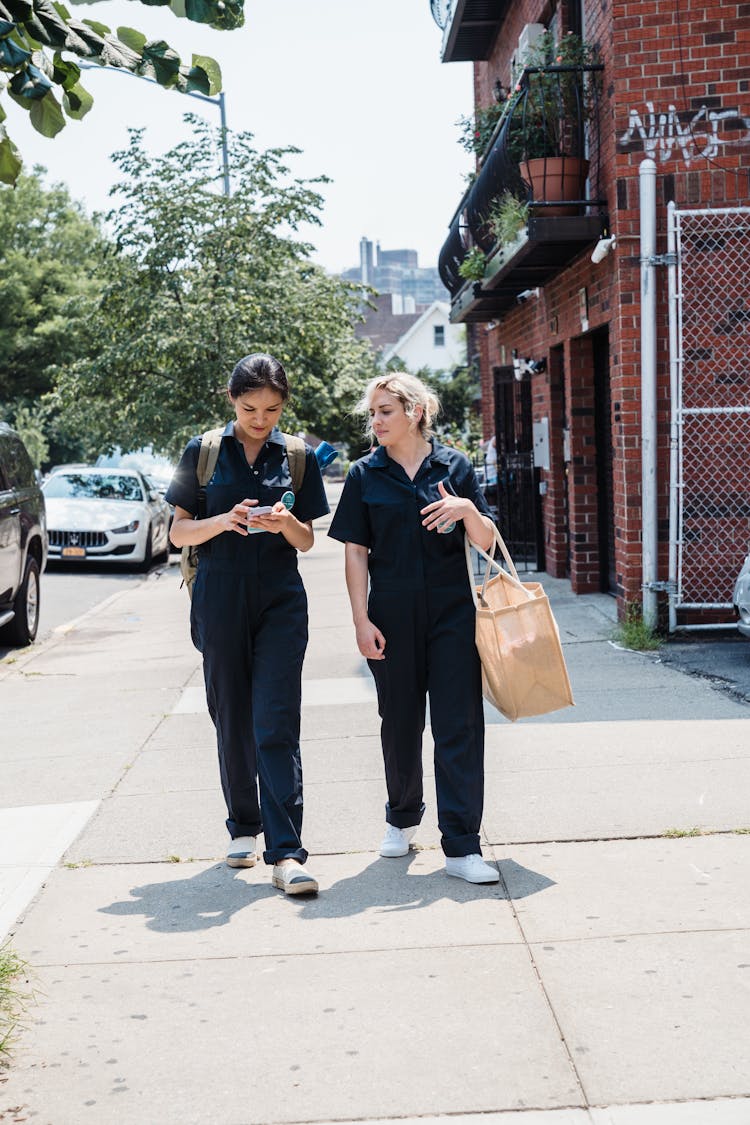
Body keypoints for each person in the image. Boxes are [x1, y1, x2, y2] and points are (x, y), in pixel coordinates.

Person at [167, 353, 329, 896]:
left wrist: (285, 523)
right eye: (250, 407)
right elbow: (178, 533)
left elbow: (308, 540)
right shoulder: (204, 451)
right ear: (231, 399)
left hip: (281, 596)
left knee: (275, 719)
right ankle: (244, 825)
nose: (261, 419)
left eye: (273, 409)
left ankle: (287, 853)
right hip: (219, 591)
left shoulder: (298, 455)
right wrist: (224, 520)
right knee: (231, 712)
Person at [328, 373, 500, 884]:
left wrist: (466, 508)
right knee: (399, 722)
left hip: (452, 614)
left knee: (459, 726)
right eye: (373, 412)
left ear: (415, 412)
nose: (374, 421)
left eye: (384, 411)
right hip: (391, 615)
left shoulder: (454, 467)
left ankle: (462, 846)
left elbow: (487, 540)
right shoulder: (364, 474)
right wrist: (361, 620)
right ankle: (401, 819)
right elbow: (355, 551)